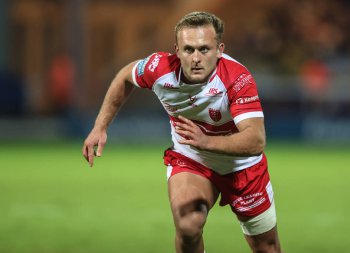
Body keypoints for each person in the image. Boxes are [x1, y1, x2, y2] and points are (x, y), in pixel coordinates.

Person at [82, 11, 282, 253]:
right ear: (177, 50)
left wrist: (206, 140)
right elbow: (125, 76)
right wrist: (100, 127)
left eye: (204, 49)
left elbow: (256, 140)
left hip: (242, 166)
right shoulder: (159, 67)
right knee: (188, 226)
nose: (196, 58)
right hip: (192, 160)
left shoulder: (237, 79)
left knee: (267, 248)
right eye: (188, 49)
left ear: (219, 49)